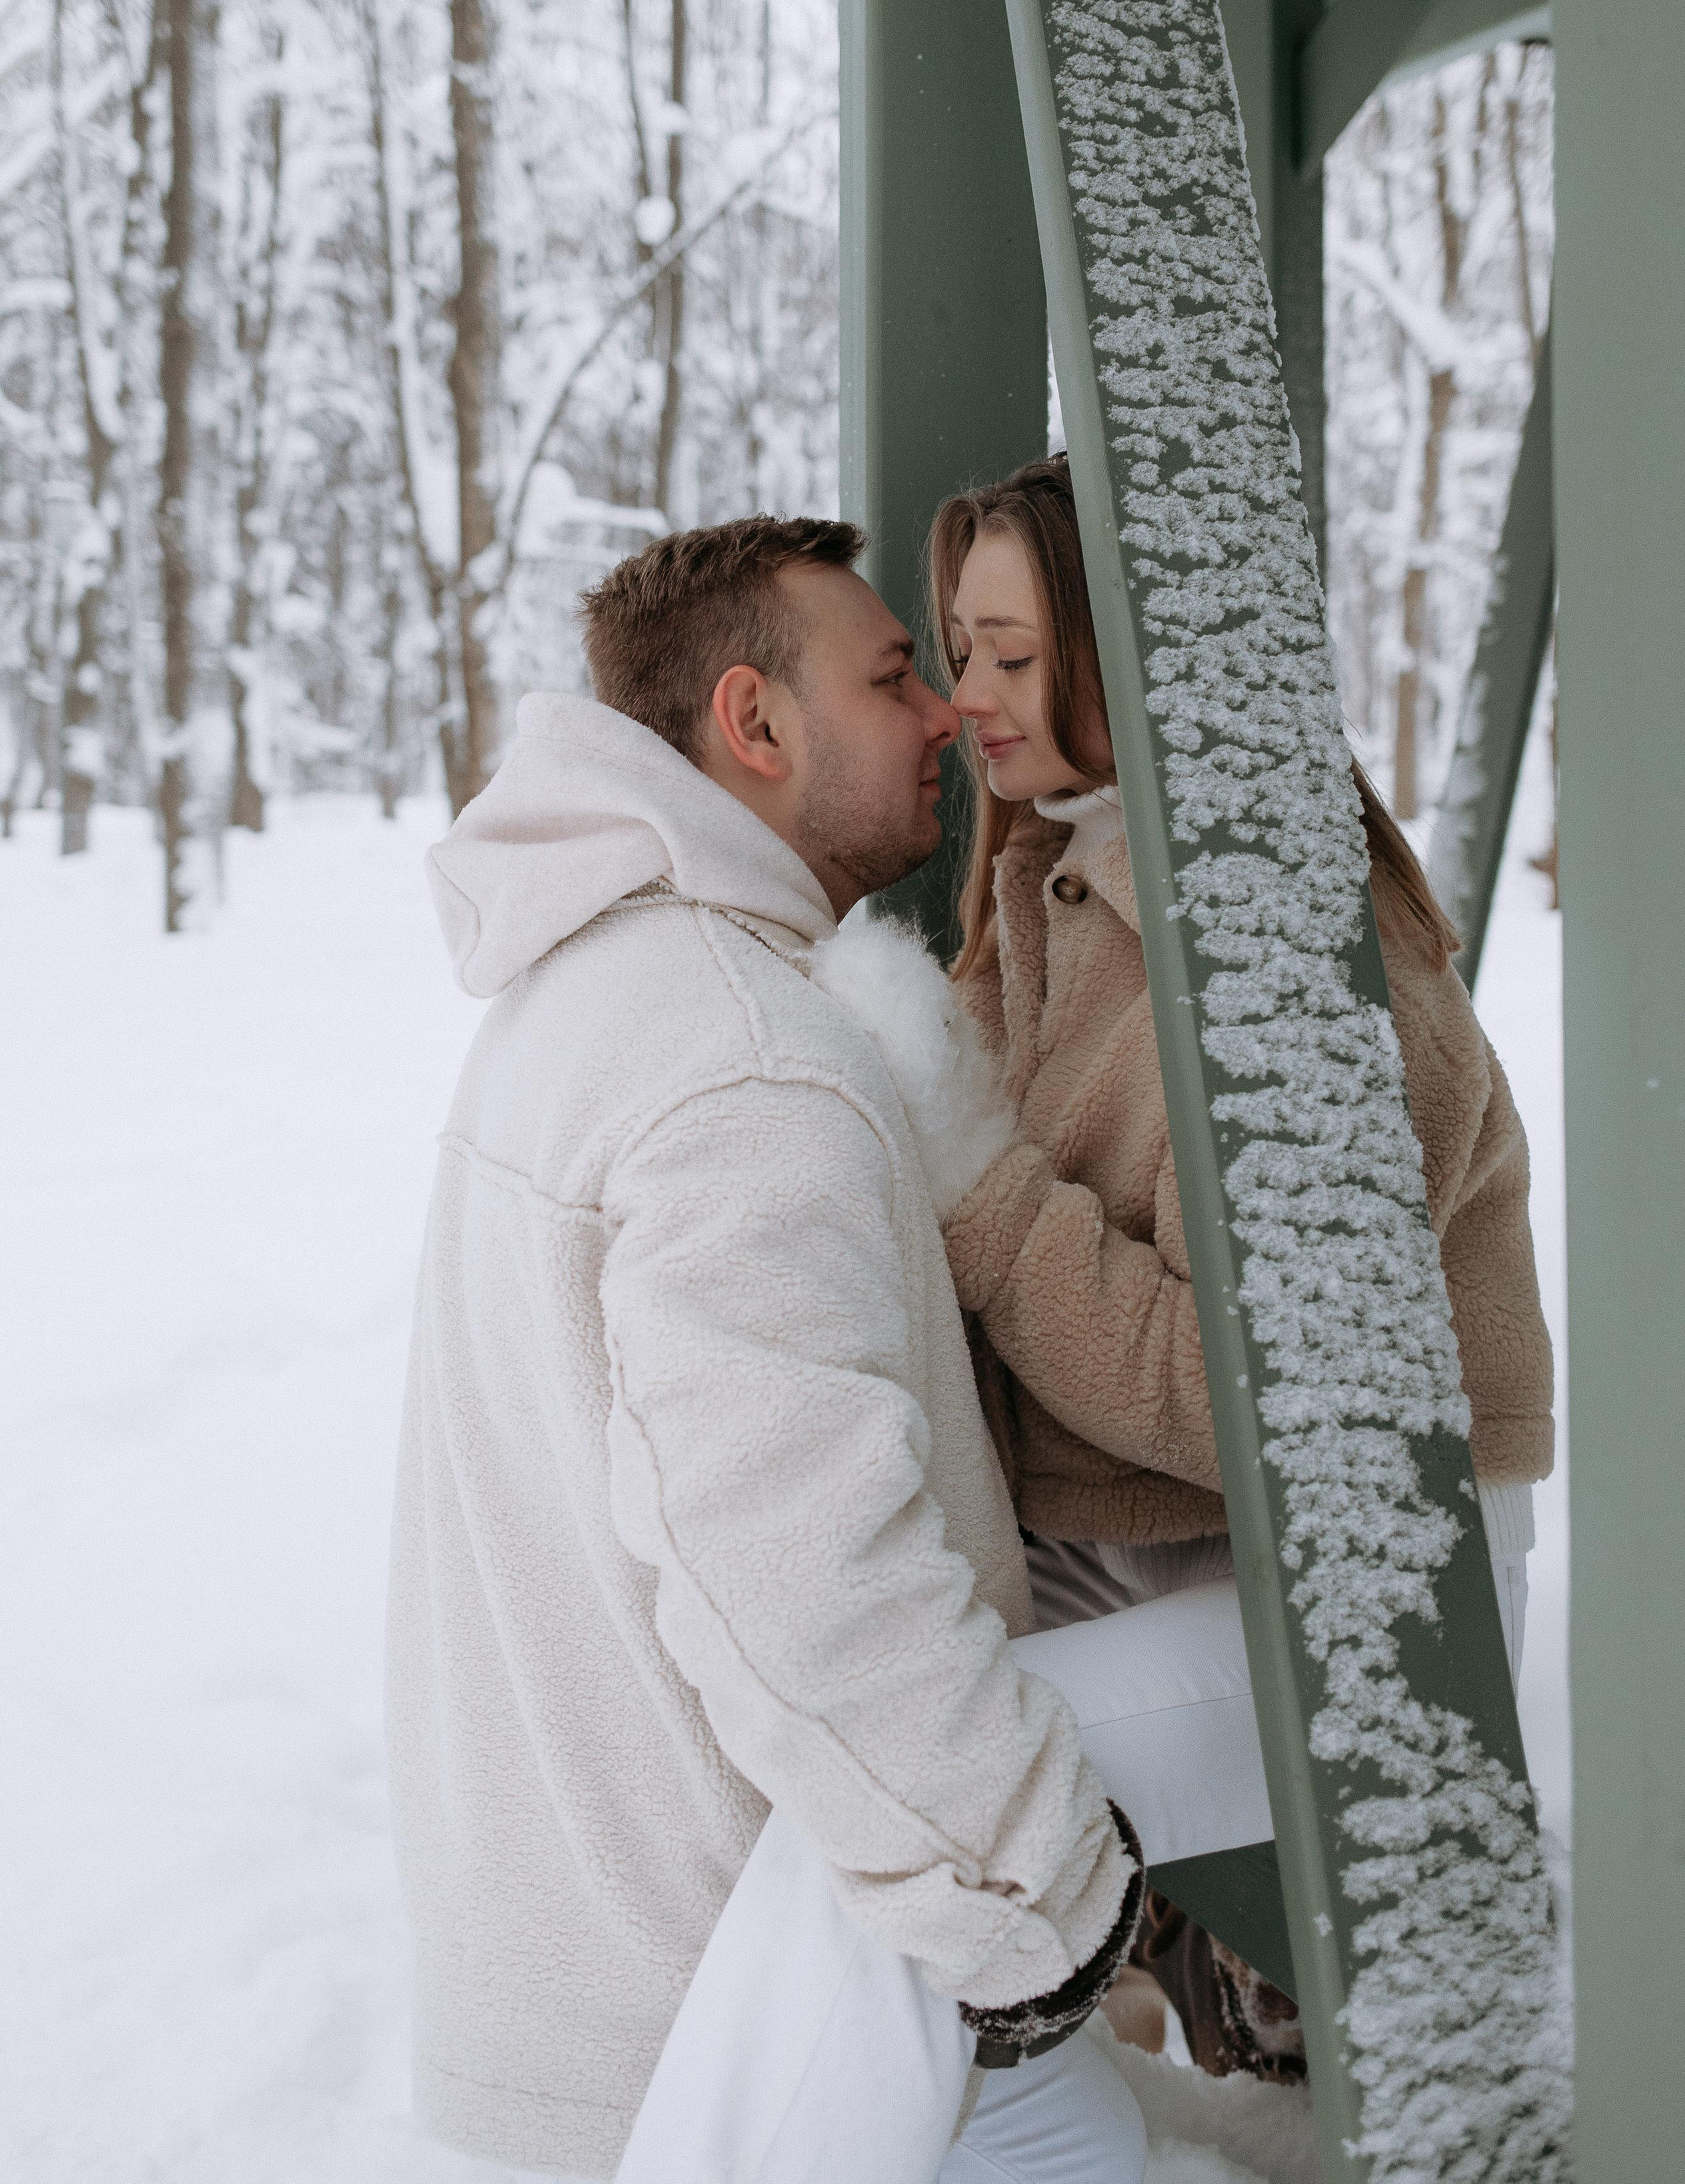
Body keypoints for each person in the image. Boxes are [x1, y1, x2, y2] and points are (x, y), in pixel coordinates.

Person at [385, 514, 1149, 2184]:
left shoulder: (593, 995)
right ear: (753, 725)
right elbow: (792, 1571)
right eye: (892, 677)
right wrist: (1039, 1895)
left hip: (611, 1967)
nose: (944, 712)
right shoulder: (745, 1068)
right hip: (765, 2006)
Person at [927, 453, 1557, 2079]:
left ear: (1123, 653)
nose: (966, 696)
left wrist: (980, 1206)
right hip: (1122, 1531)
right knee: (824, 1725)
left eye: (1011, 655)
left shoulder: (1298, 953)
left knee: (926, 1789)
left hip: (1357, 1594)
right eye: (956, 648)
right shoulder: (1041, 888)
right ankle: (1162, 1992)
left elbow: (1254, 1404)